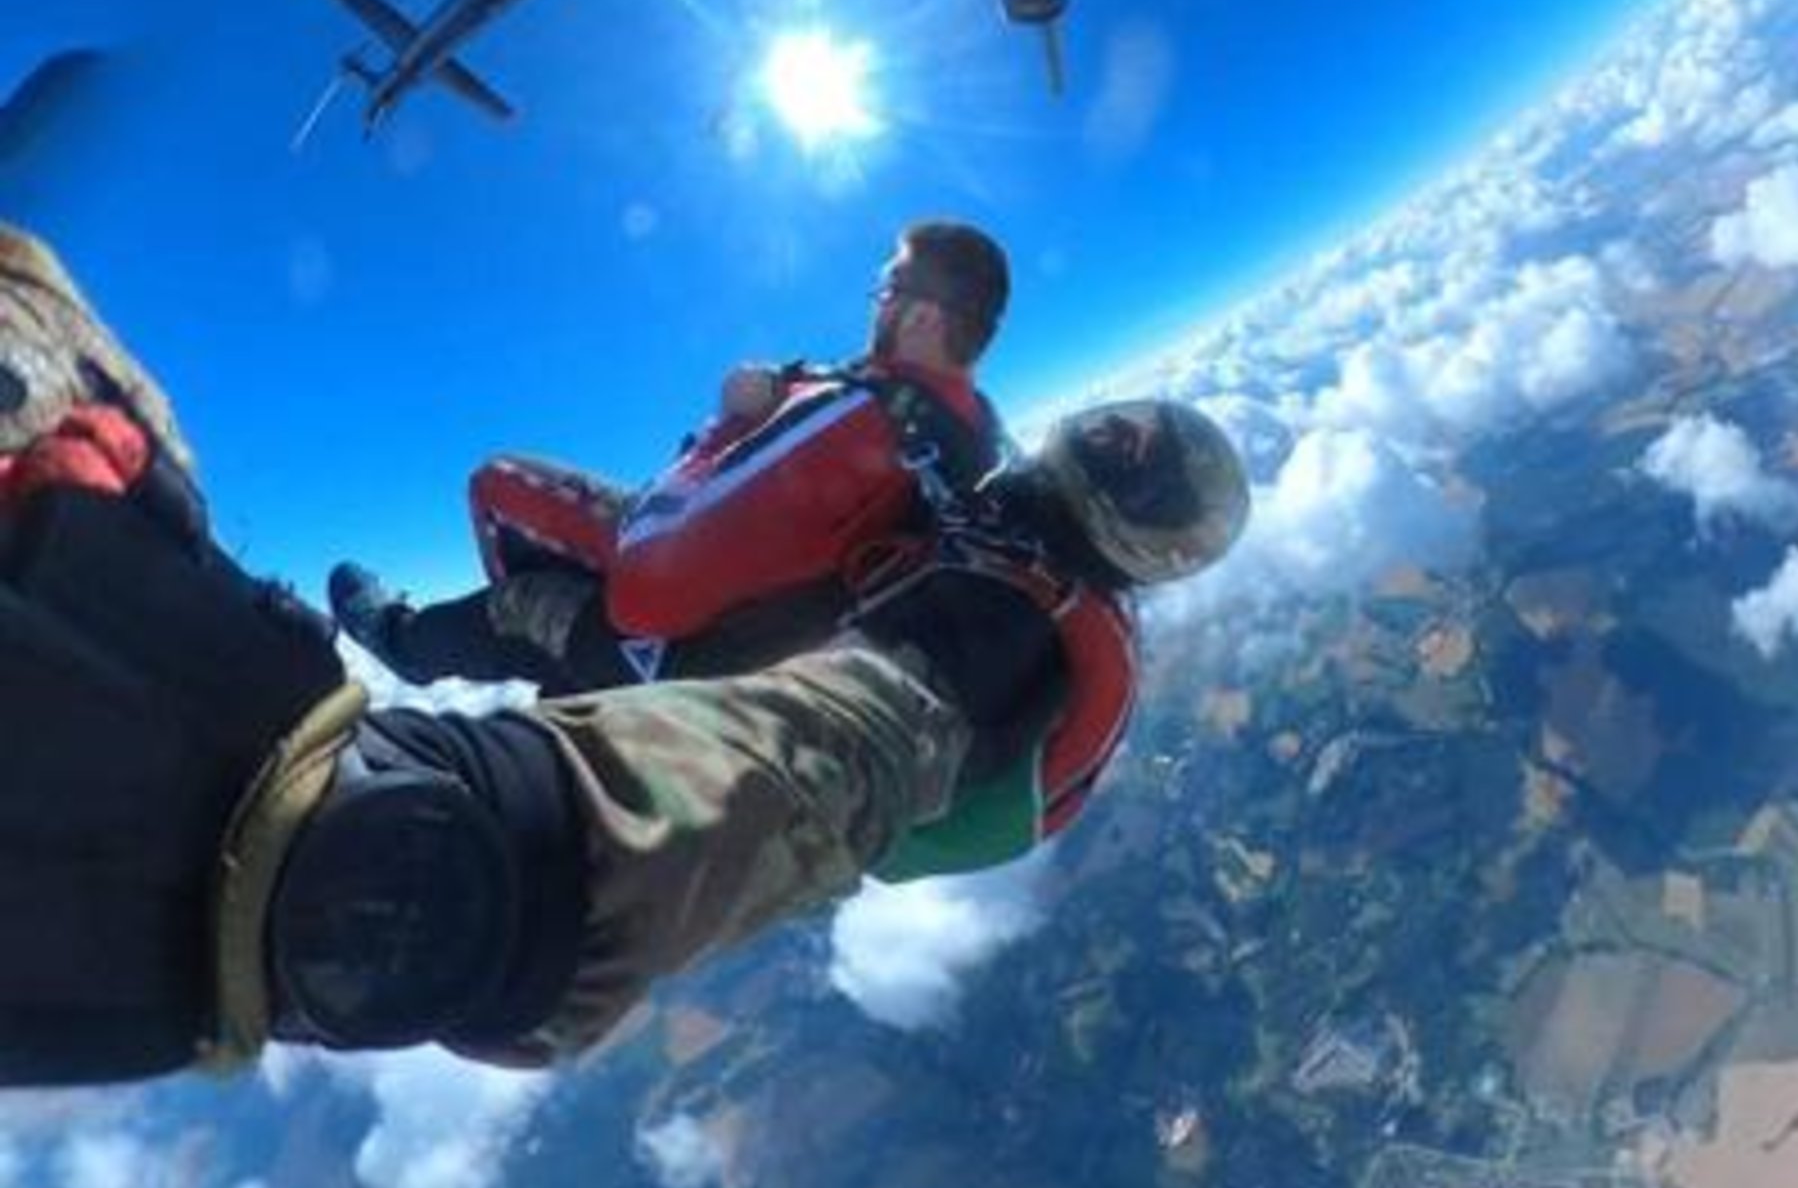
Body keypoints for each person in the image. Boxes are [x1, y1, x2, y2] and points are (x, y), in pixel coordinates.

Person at [0, 225, 1248, 1090]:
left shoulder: (1006, 617)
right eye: (1122, 430)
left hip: (658, 705)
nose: (1111, 439)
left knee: (533, 585)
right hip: (716, 673)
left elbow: (850, 737)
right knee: (541, 607)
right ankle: (434, 654)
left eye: (1128, 453)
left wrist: (471, 856)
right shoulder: (987, 514)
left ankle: (418, 647)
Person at [326, 218, 1014, 694]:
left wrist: (722, 430)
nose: (876, 304)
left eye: (888, 289)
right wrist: (776, 395)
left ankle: (414, 647)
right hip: (775, 615)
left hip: (677, 647)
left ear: (924, 317)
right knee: (520, 498)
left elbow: (650, 589)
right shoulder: (965, 426)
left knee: (501, 510)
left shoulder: (857, 420)